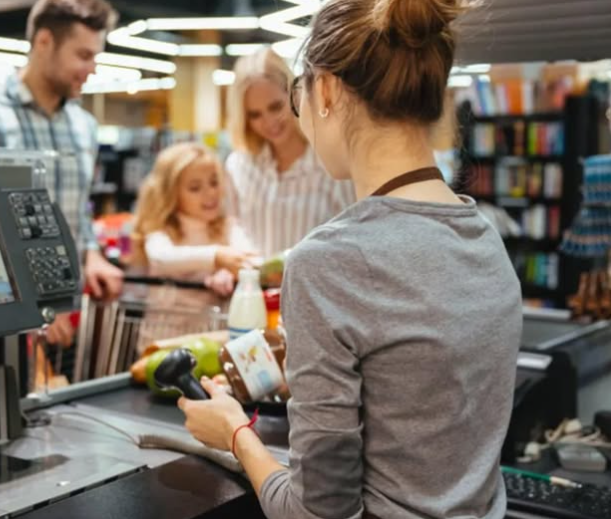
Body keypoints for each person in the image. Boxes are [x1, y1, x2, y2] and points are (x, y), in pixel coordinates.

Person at [179, 1, 522, 518]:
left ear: (327, 91)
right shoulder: (486, 236)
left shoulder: (326, 263)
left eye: (296, 94)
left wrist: (235, 433)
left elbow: (315, 513)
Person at [0, 0, 123, 348]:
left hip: (64, 316)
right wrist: (31, 305)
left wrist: (92, 254)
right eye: (83, 55)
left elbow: (76, 210)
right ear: (44, 42)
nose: (92, 69)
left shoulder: (84, 127)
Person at [225, 48, 356, 258]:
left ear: (295, 94)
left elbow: (354, 234)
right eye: (255, 114)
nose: (268, 122)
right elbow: (231, 222)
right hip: (253, 288)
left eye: (276, 107)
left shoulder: (332, 163)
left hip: (315, 287)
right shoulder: (238, 165)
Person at [131, 143, 257, 352]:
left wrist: (230, 273)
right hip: (161, 343)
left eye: (214, 182)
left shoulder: (227, 227)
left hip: (212, 345)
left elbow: (252, 260)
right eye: (195, 188)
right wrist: (217, 257)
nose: (210, 193)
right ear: (170, 193)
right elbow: (161, 258)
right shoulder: (161, 230)